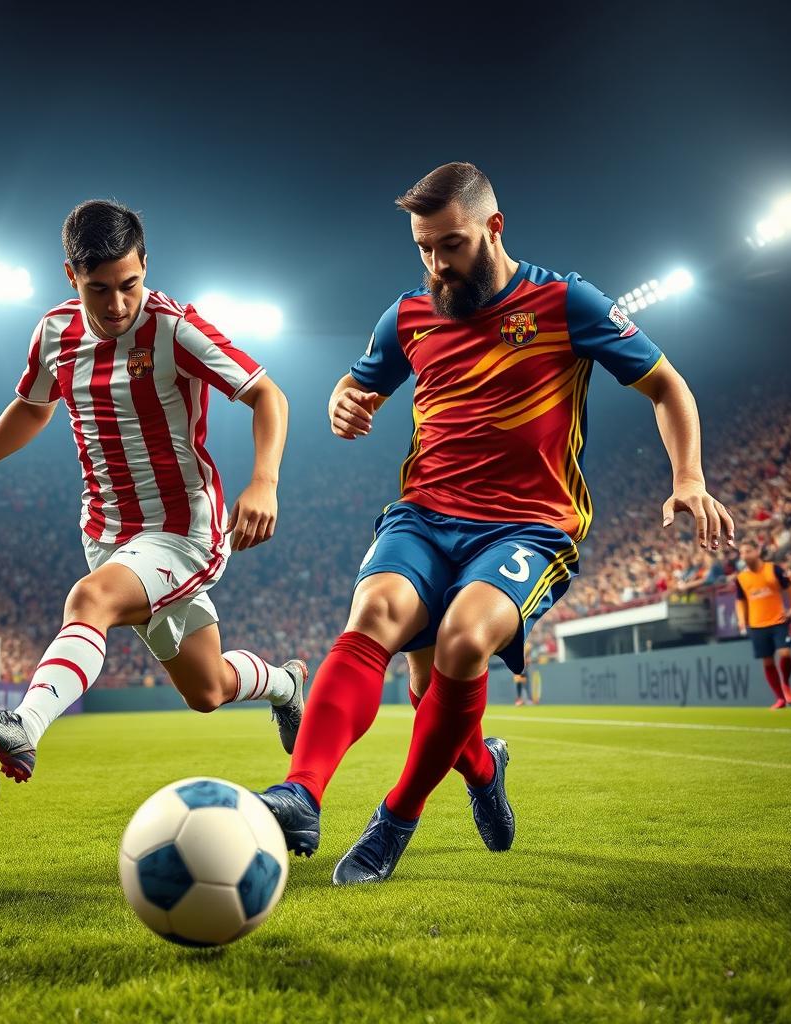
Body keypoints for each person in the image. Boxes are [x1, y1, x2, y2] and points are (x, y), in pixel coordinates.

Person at [259, 162, 735, 885]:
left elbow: (666, 385)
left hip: (528, 527)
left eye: (450, 245)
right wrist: (342, 399)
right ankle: (305, 794)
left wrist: (690, 478)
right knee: (374, 617)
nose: (436, 264)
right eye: (423, 247)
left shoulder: (565, 301)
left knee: (462, 639)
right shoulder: (409, 315)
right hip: (424, 515)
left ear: (493, 228)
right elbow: (359, 382)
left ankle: (395, 819)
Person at [0, 200, 305, 782]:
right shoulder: (54, 331)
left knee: (89, 601)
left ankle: (23, 726)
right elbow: (32, 408)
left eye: (130, 284)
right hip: (106, 532)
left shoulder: (174, 327)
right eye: (99, 289)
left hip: (181, 530)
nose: (118, 304)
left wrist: (264, 481)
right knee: (206, 689)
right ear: (70, 276)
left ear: (145, 266)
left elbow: (268, 395)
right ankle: (286, 684)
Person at [734, 540, 791, 708]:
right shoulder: (741, 578)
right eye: (742, 553)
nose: (744, 555)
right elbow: (740, 601)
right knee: (768, 662)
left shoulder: (773, 569)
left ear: (757, 550)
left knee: (785, 654)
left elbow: (790, 587)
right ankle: (780, 698)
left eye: (748, 551)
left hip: (778, 620)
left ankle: (786, 684)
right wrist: (742, 620)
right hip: (757, 624)